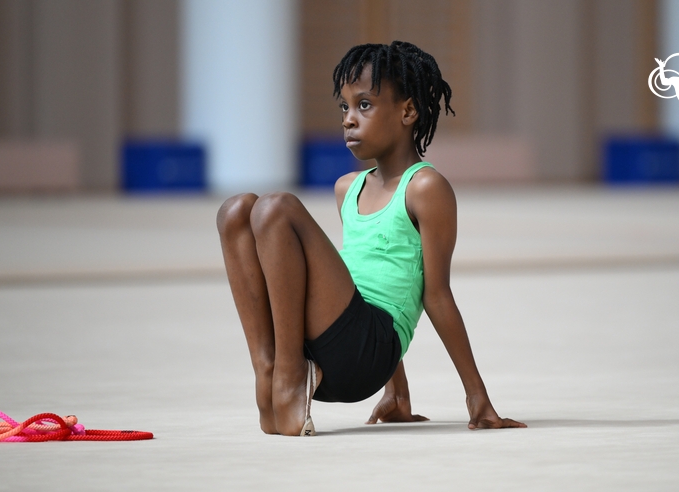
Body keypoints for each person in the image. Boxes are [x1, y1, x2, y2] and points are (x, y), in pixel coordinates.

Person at [216, 40, 526, 436]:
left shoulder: (425, 188)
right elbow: (368, 277)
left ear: (408, 111)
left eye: (364, 105)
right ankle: (269, 372)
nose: (348, 119)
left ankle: (290, 376)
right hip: (331, 348)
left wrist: (477, 399)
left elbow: (435, 295)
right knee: (237, 211)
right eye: (344, 107)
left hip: (365, 356)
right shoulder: (348, 187)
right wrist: (397, 393)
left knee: (275, 207)